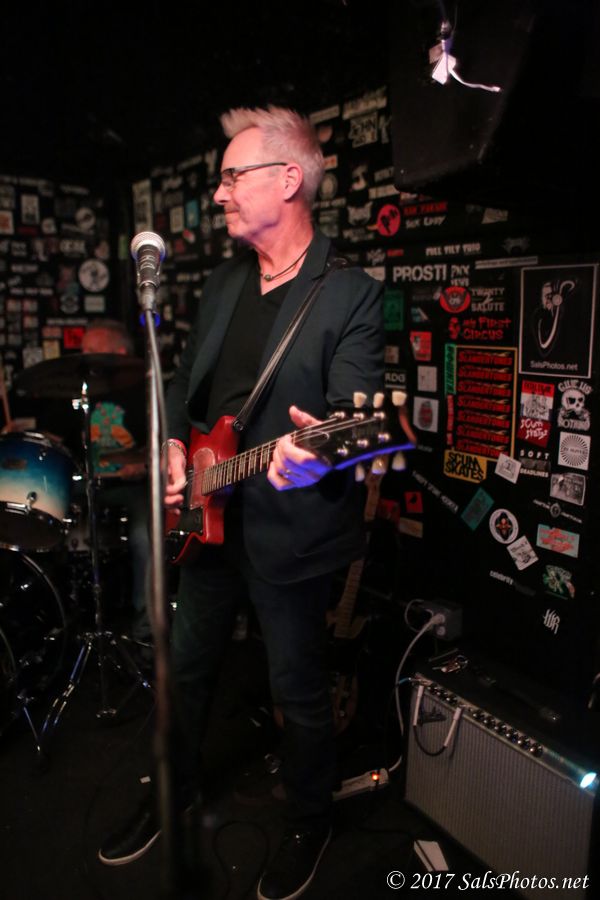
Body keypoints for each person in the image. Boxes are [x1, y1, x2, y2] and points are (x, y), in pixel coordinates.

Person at [98, 106, 384, 900]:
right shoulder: (225, 283)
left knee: (298, 687)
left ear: (288, 179)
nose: (219, 193)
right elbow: (188, 389)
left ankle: (308, 819)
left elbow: (355, 422)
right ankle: (174, 792)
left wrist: (318, 453)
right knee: (186, 669)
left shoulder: (350, 294)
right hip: (207, 520)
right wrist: (173, 447)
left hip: (292, 530)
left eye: (231, 176)